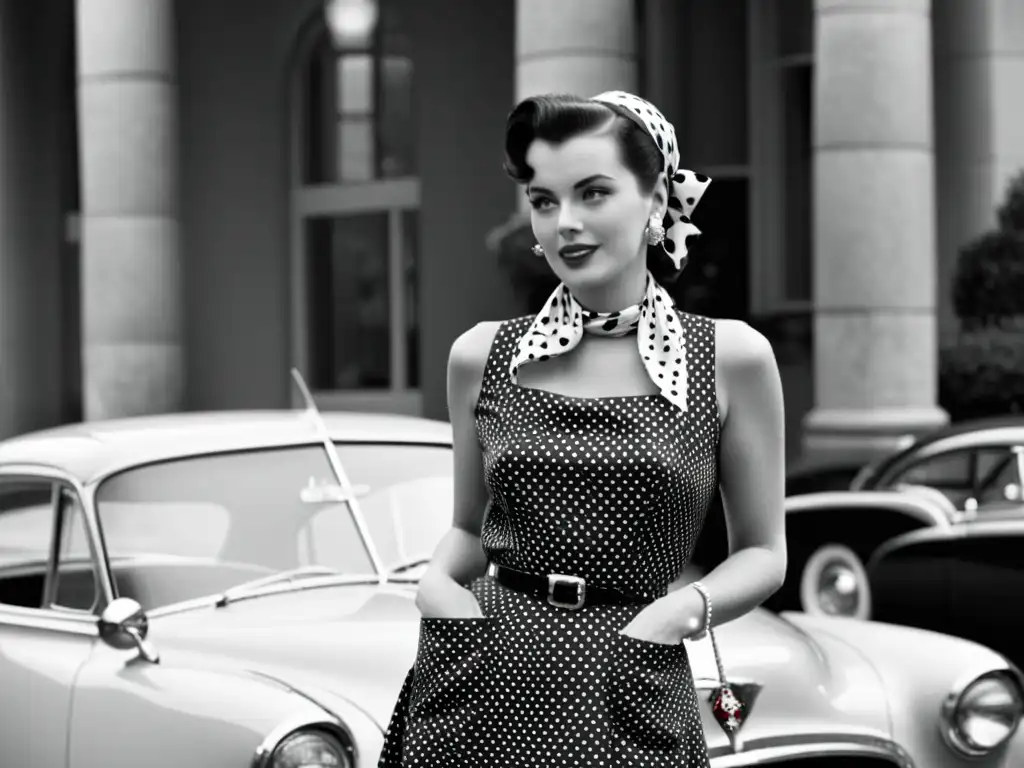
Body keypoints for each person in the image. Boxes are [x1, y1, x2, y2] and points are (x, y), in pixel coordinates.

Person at [377, 90, 787, 767]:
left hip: (633, 679)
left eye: (593, 193)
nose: (565, 223)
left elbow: (764, 552)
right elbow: (467, 530)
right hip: (480, 675)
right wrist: (436, 591)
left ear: (656, 201)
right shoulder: (481, 355)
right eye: (544, 201)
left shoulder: (730, 358)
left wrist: (676, 615)